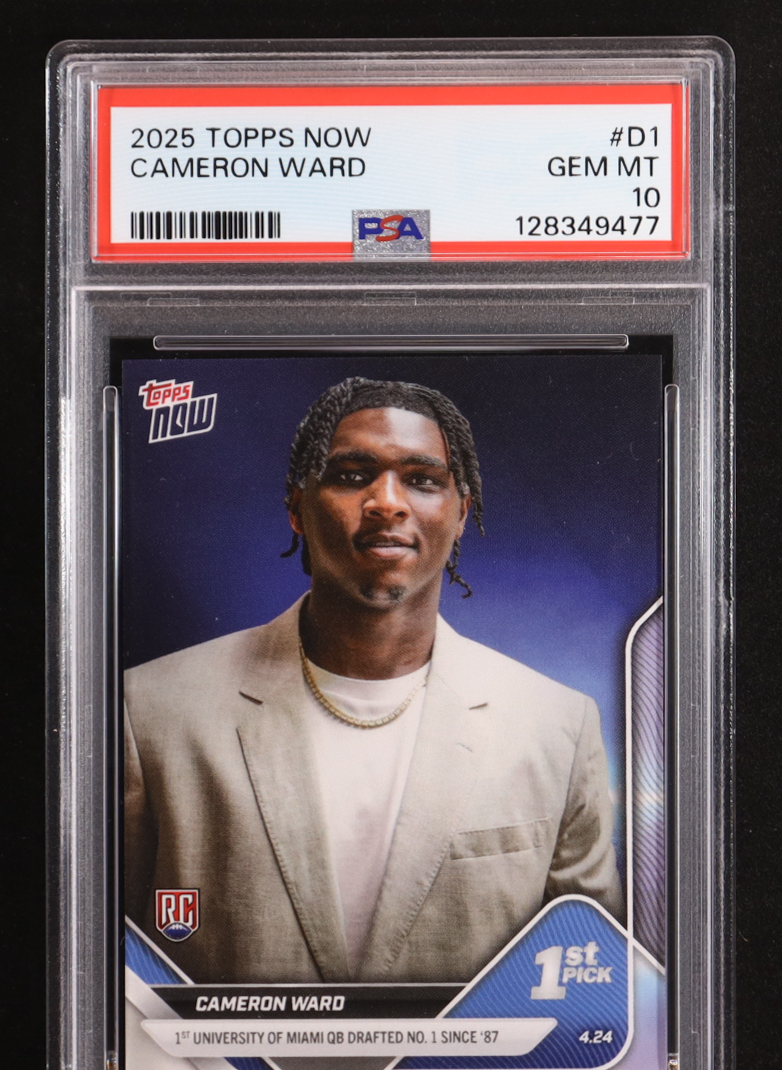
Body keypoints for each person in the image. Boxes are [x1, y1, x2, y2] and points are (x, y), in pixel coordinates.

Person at [124, 377, 624, 985]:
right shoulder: (150, 710)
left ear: (461, 514)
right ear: (297, 508)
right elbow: (108, 976)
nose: (387, 502)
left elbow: (591, 988)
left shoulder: (557, 725)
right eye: (352, 475)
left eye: (422, 480)